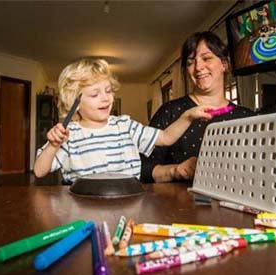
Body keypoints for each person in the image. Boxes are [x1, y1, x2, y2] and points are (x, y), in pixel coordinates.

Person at [33, 58, 213, 183]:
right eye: (95, 94)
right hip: (83, 207)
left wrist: (187, 117)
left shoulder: (125, 125)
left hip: (129, 202)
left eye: (108, 90)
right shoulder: (69, 134)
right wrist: (53, 145)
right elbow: (39, 172)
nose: (106, 98)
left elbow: (165, 137)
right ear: (75, 103)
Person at [140, 31, 255, 183]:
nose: (198, 67)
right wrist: (175, 170)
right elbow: (141, 167)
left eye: (206, 58)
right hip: (179, 205)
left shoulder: (248, 117)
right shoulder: (170, 111)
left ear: (224, 64)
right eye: (190, 62)